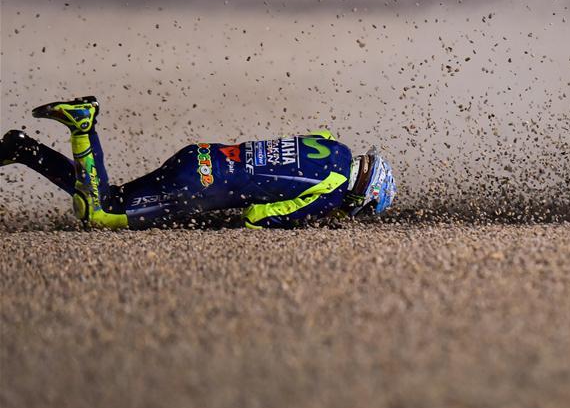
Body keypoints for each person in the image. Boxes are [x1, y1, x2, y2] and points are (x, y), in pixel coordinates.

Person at [1, 97, 396, 229]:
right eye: (362, 209)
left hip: (203, 156)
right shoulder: (332, 193)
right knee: (101, 213)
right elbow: (256, 217)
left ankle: (24, 150)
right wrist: (303, 222)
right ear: (363, 195)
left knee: (114, 196)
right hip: (196, 187)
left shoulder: (332, 145)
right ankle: (82, 125)